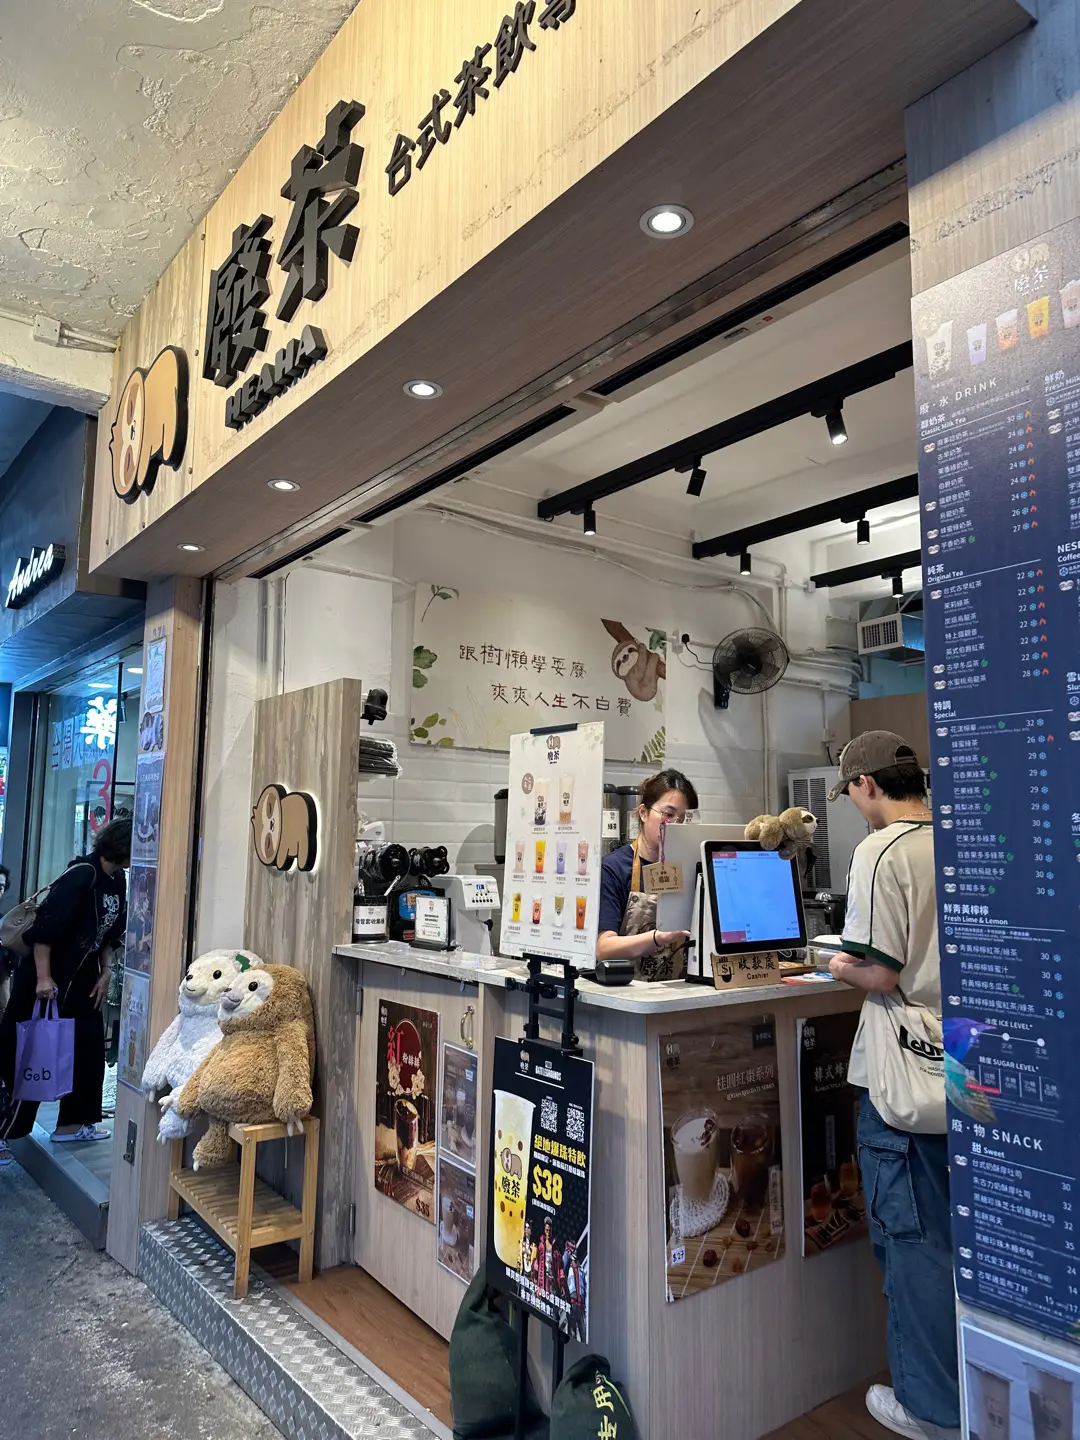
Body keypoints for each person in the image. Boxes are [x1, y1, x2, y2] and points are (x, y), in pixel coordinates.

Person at [826, 732, 958, 1440]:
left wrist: (835, 964)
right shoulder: (959, 838)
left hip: (903, 1076)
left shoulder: (881, 851)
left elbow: (880, 972)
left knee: (913, 1244)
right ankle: (975, 1390)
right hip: (967, 1061)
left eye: (850, 792)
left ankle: (931, 1409)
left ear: (867, 785)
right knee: (959, 1237)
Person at [0, 818, 130, 1161]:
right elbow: (45, 930)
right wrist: (44, 978)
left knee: (88, 1049)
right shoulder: (83, 874)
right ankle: (7, 1129)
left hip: (84, 977)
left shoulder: (117, 880)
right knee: (29, 1049)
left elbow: (109, 934)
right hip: (48, 976)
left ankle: (72, 1124)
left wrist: (106, 972)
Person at [597, 769, 698, 980]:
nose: (676, 825)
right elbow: (603, 948)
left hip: (678, 989)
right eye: (668, 814)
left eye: (683, 818)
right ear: (643, 813)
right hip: (627, 991)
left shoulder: (691, 868)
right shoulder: (614, 868)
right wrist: (656, 938)